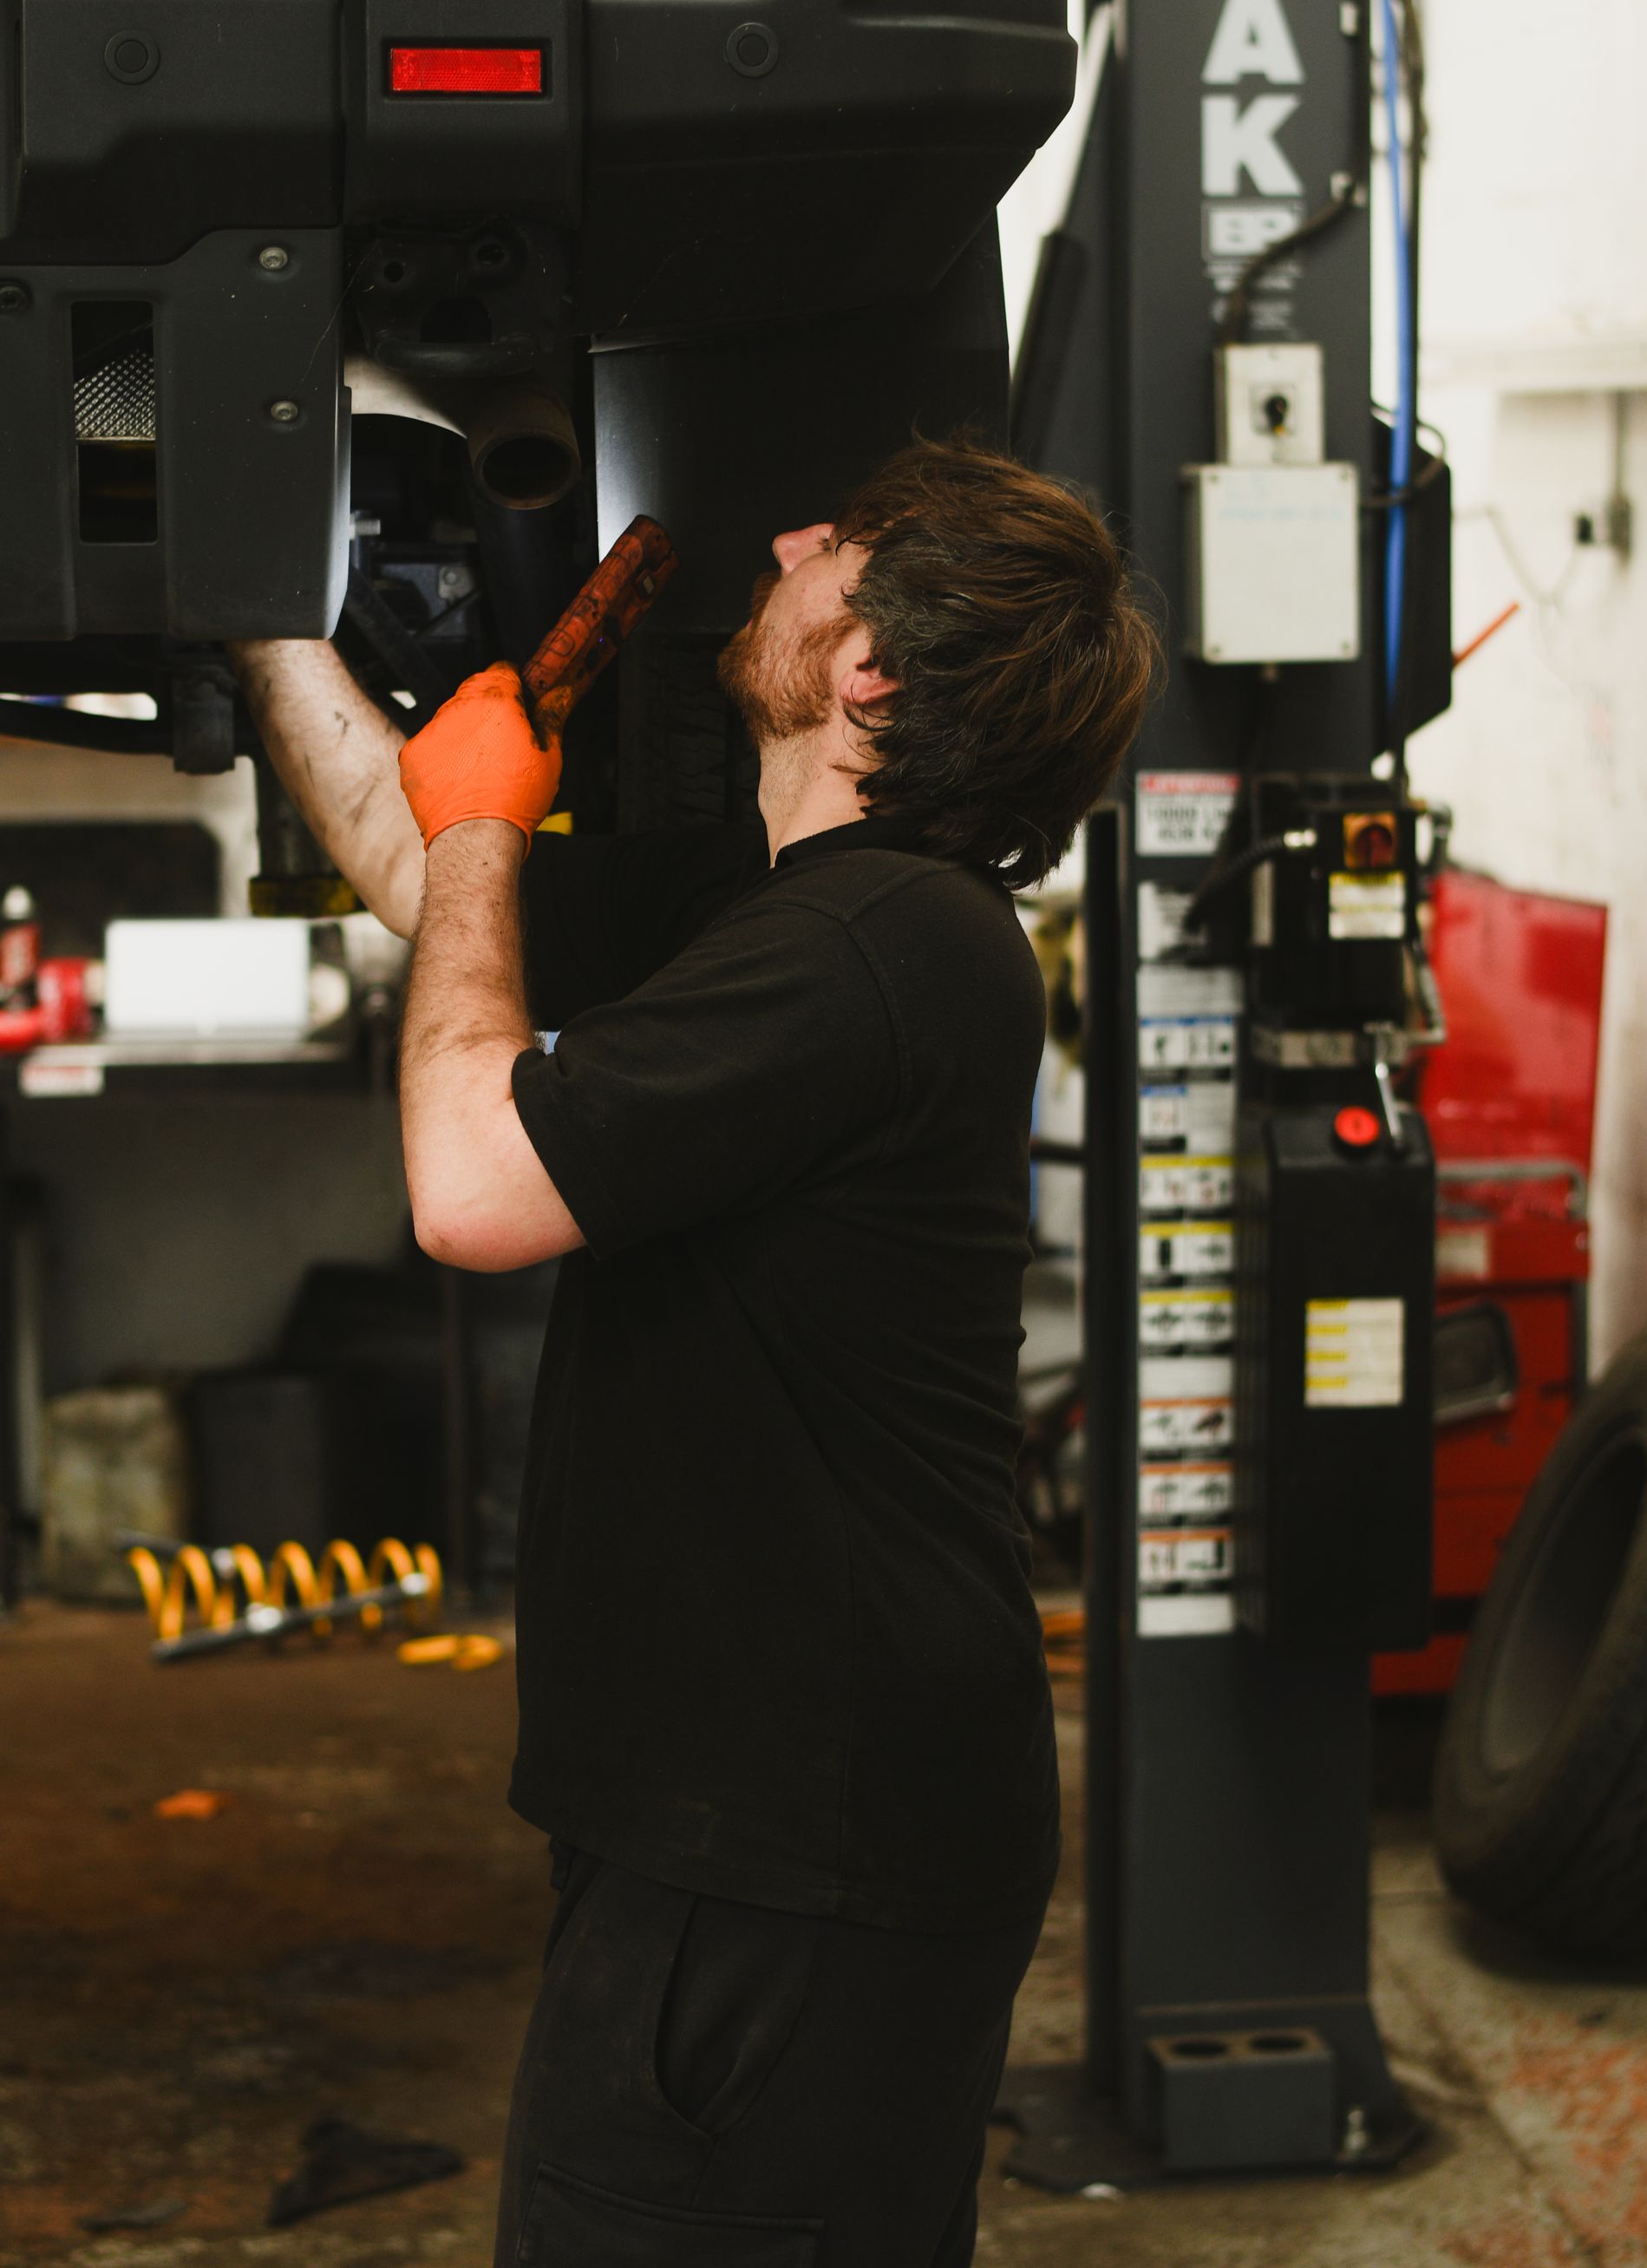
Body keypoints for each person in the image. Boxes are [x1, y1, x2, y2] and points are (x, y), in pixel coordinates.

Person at [232, 435, 1157, 2268]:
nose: (794, 536)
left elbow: (473, 1186)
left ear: (869, 669)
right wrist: (245, 608)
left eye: (846, 546)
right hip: (776, 1818)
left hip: (799, 1845)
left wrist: (495, 822)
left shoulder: (877, 943)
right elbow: (424, 885)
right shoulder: (785, 909)